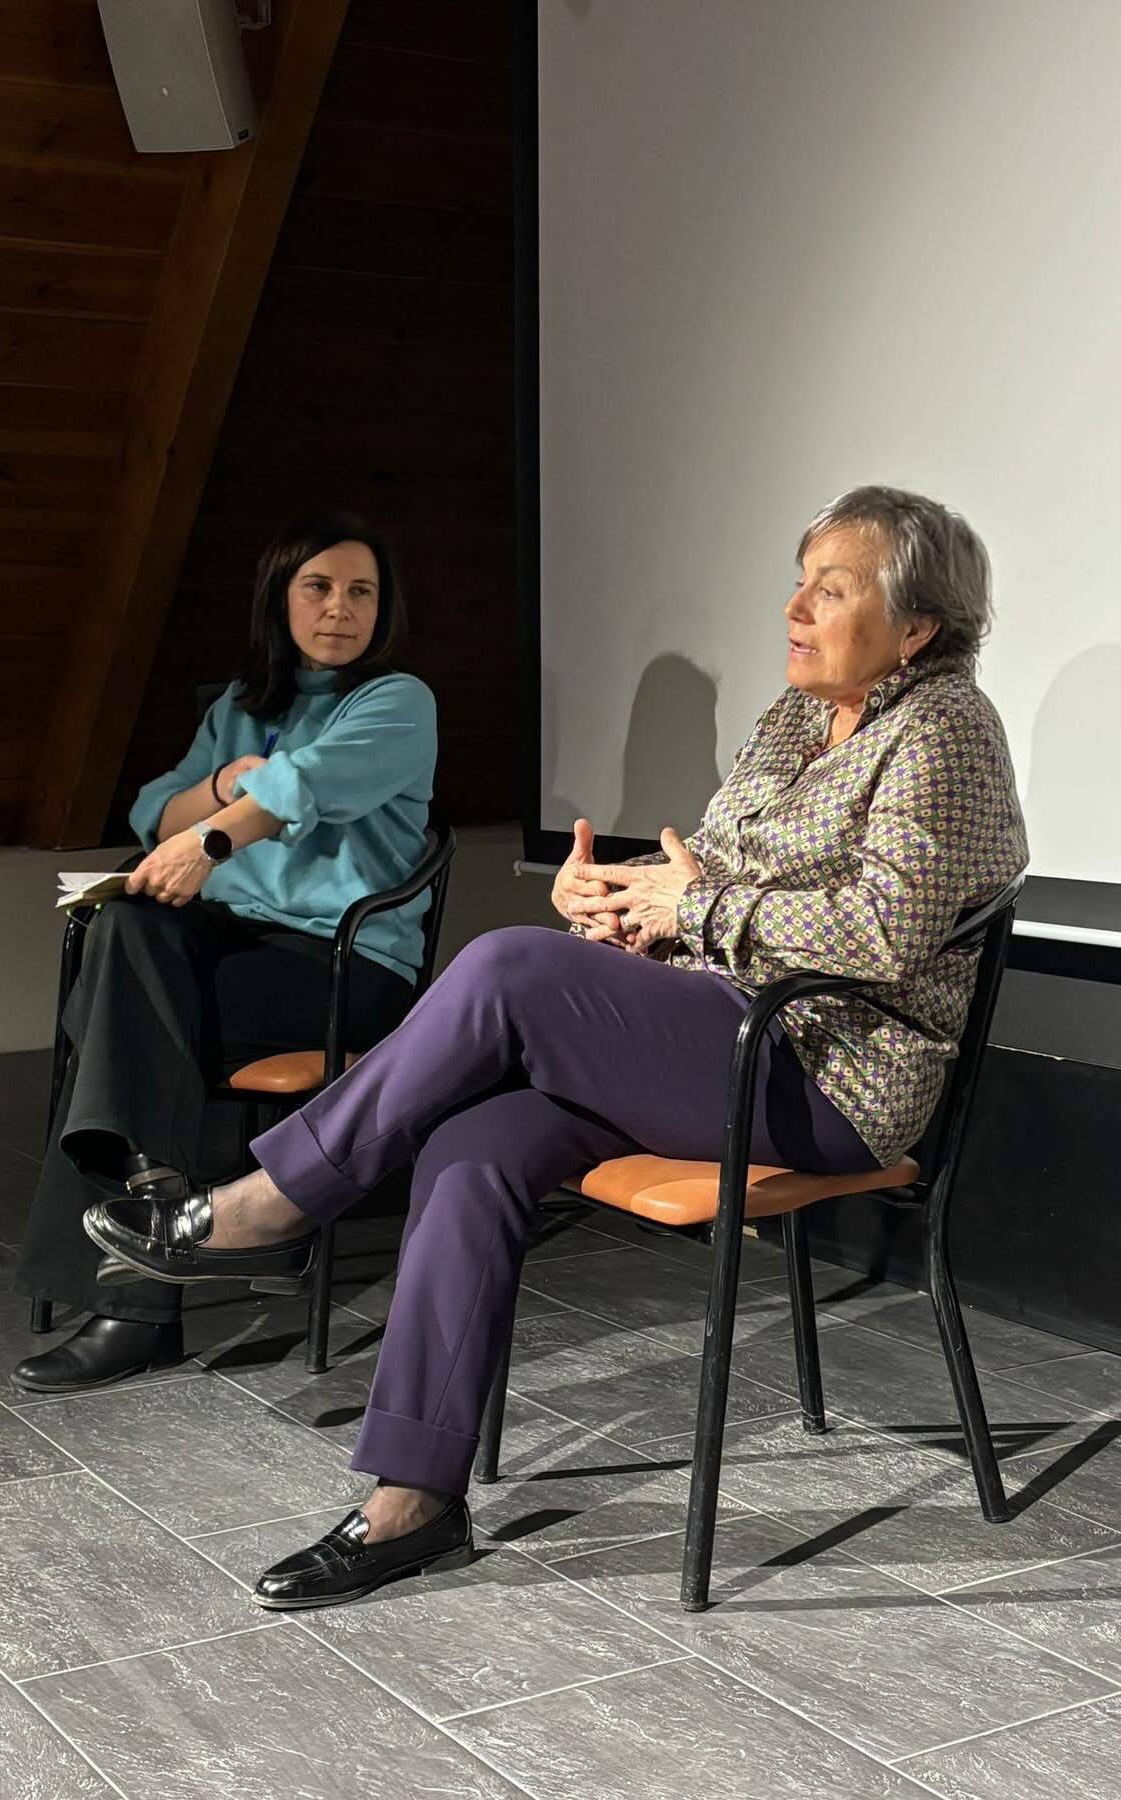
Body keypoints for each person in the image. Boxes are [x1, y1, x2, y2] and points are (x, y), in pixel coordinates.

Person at [87, 484, 1028, 1606]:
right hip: (715, 1037)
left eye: (830, 590)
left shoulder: (946, 730)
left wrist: (690, 909)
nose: (794, 608)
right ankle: (413, 1502)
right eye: (799, 581)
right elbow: (716, 877)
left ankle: (277, 1200)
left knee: (506, 967)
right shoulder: (794, 718)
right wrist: (620, 898)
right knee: (475, 1143)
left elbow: (887, 928)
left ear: (916, 627)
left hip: (824, 1079)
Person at [11, 512, 437, 1394]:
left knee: (123, 1021)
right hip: (230, 946)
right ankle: (165, 1199)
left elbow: (303, 786)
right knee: (124, 928)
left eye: (361, 592)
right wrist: (215, 785)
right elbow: (154, 812)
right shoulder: (239, 708)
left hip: (342, 964)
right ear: (280, 600)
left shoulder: (398, 702)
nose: (340, 608)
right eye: (318, 587)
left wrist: (211, 838)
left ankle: (137, 1306)